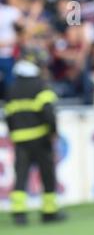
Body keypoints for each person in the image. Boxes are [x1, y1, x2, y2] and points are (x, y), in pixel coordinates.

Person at [4, 52, 66, 225]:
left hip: (20, 140)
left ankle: (19, 213)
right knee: (47, 175)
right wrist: (53, 132)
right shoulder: (41, 86)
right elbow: (49, 113)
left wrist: (14, 134)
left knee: (21, 175)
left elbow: (8, 115)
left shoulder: (11, 89)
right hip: (40, 138)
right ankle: (49, 212)